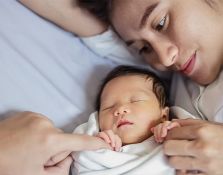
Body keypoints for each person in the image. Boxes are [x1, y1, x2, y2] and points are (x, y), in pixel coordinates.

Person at [10, 0, 223, 174]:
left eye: (161, 23)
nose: (165, 59)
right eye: (144, 48)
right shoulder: (168, 75)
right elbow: (78, 19)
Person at [72, 65, 184, 175]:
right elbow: (83, 159)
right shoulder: (96, 148)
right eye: (109, 107)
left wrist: (174, 132)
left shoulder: (172, 135)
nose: (120, 109)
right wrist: (97, 145)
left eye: (135, 100)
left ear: (164, 115)